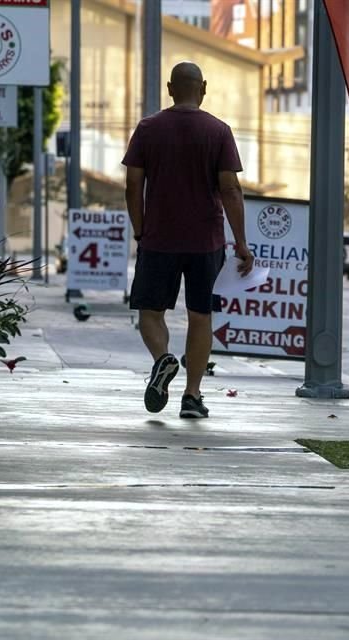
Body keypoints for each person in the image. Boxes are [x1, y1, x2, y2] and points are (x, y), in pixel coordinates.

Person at [122, 61, 254, 418]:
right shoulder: (219, 131)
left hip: (158, 239)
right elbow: (230, 188)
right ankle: (192, 397)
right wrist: (241, 242)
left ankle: (163, 359)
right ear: (204, 88)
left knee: (150, 312)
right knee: (200, 317)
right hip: (206, 241)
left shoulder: (148, 129)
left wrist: (140, 229)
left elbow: (133, 184)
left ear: (169, 88)